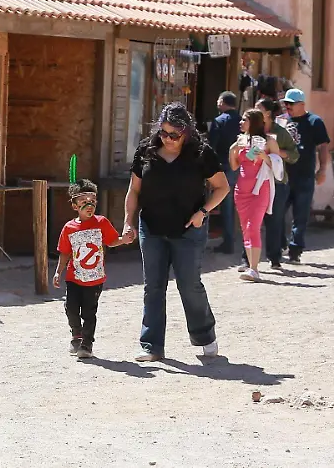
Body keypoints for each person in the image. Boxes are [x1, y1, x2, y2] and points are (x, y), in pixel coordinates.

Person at [123, 102, 230, 362]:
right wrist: (128, 221)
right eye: (163, 132)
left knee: (189, 285)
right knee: (153, 287)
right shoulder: (145, 151)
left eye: (174, 135)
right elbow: (134, 190)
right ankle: (151, 346)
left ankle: (206, 336)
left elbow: (222, 188)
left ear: (187, 133)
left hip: (188, 230)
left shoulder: (201, 153)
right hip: (152, 227)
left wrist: (202, 213)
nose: (168, 139)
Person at [52, 179, 134, 358]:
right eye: (84, 202)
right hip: (74, 278)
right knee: (71, 308)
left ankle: (87, 345)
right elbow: (65, 252)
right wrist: (58, 272)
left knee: (90, 312)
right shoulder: (69, 228)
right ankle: (76, 334)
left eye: (92, 202)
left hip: (95, 279)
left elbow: (112, 241)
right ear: (74, 206)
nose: (89, 206)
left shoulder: (102, 222)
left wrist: (124, 240)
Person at [228, 109, 282, 282]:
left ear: (254, 122)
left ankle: (254, 268)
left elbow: (278, 165)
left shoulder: (269, 141)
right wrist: (233, 149)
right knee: (245, 228)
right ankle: (251, 265)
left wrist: (264, 155)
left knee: (253, 227)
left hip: (259, 189)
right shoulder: (241, 140)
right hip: (241, 190)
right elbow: (235, 166)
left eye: (244, 119)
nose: (241, 122)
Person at [281, 89, 331, 263]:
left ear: (302, 104)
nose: (287, 107)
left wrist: (323, 169)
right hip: (283, 175)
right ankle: (280, 244)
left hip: (305, 175)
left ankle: (295, 250)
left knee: (300, 215)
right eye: (286, 104)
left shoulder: (314, 122)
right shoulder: (283, 121)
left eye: (291, 104)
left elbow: (323, 146)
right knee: (277, 212)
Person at [254, 99, 299, 270]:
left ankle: (274, 257)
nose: (255, 111)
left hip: (277, 182)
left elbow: (295, 155)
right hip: (255, 180)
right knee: (253, 220)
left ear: (267, 113)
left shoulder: (280, 132)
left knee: (274, 220)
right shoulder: (252, 130)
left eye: (259, 109)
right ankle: (248, 258)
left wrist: (277, 152)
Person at [206, 91, 241, 255]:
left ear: (223, 102)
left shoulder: (219, 121)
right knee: (234, 204)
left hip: (223, 166)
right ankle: (232, 239)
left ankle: (227, 242)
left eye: (219, 100)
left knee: (220, 203)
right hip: (240, 166)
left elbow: (212, 146)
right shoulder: (242, 121)